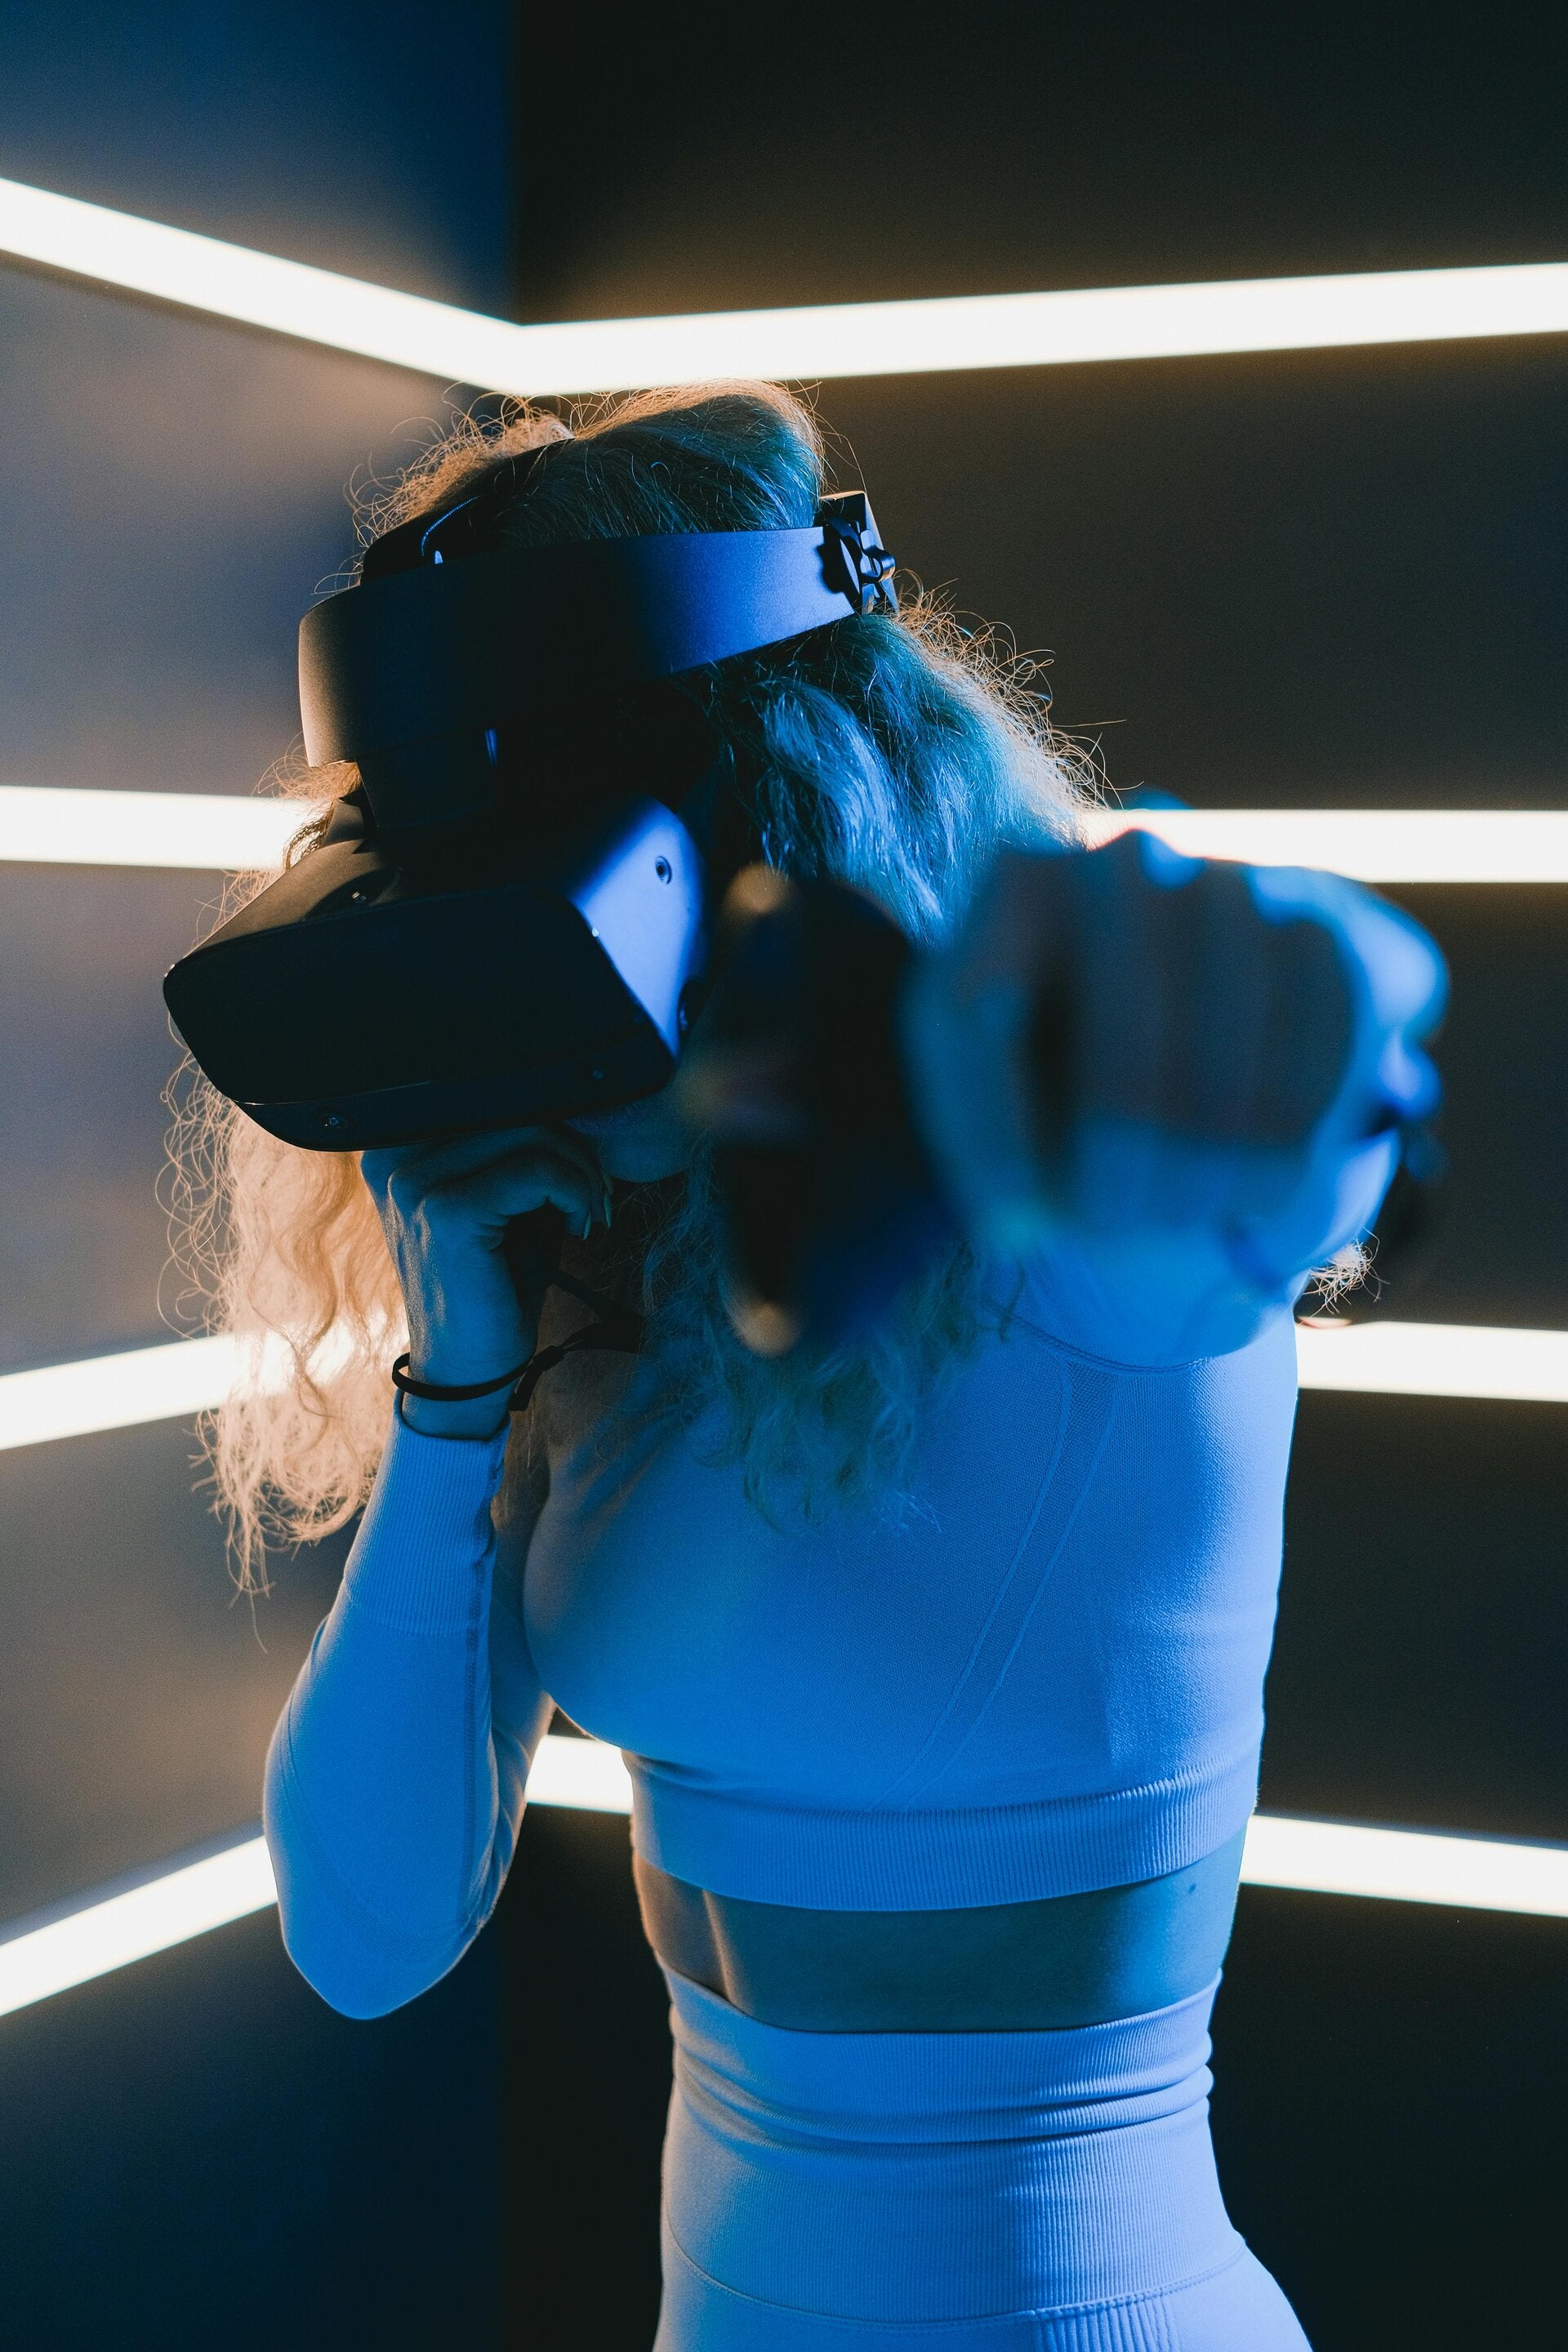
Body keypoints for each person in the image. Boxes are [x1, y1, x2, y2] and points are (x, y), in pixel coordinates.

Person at [188, 383, 1442, 2347]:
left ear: (765, 847)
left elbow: (1272, 1140)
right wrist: (458, 1397)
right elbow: (366, 1934)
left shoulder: (1062, 1248)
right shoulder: (611, 1286)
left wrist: (1315, 1007)